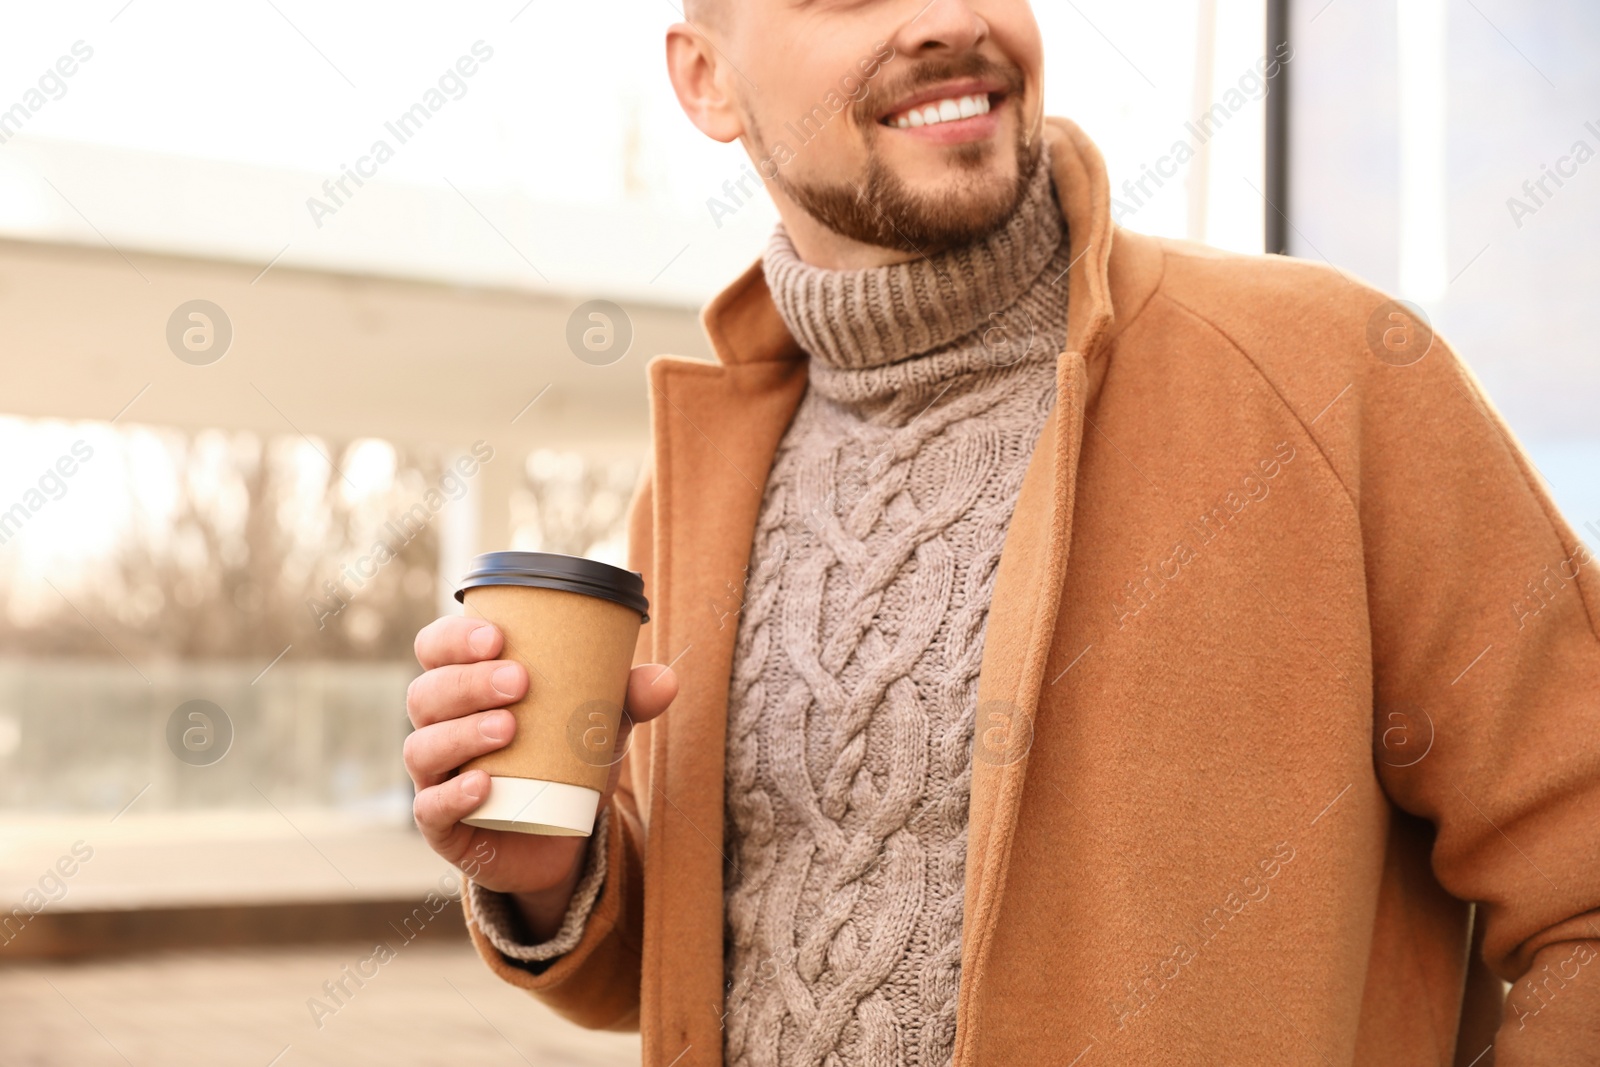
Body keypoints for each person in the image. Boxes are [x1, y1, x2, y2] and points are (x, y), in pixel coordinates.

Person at [402, 2, 1600, 1063]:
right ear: (706, 78)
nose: (943, 19)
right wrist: (554, 877)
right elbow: (722, 963)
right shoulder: (695, 483)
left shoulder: (1333, 377)